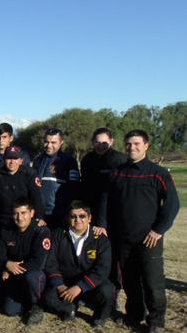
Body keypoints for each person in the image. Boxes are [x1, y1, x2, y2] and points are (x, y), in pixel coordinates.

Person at [97, 130, 179, 332]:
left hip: (149, 239)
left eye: (136, 144)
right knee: (130, 281)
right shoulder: (117, 172)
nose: (132, 147)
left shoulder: (158, 173)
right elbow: (105, 202)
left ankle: (156, 321)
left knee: (153, 282)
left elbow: (172, 204)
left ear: (146, 146)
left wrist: (158, 230)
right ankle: (134, 315)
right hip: (122, 238)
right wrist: (102, 224)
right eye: (128, 144)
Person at [44, 201, 112, 327]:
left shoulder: (101, 238)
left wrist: (81, 287)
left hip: (89, 285)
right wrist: (59, 285)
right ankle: (69, 308)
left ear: (90, 218)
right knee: (48, 297)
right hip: (65, 283)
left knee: (107, 291)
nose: (78, 220)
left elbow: (103, 268)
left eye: (82, 216)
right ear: (68, 218)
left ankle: (99, 318)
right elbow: (50, 262)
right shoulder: (57, 234)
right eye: (73, 216)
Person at [0, 199, 51, 325]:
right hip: (15, 276)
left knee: (34, 276)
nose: (19, 217)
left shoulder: (41, 231)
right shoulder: (6, 230)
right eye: (16, 213)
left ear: (32, 213)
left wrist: (12, 269)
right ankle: (26, 304)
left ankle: (37, 305)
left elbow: (38, 263)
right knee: (9, 311)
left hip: (34, 275)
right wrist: (6, 264)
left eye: (23, 213)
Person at [0, 146, 44, 234]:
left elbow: (36, 198)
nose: (12, 162)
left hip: (24, 222)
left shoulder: (29, 175)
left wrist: (39, 217)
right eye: (9, 158)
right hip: (2, 223)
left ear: (21, 160)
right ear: (3, 159)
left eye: (15, 158)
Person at [32, 128, 80, 229]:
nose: (49, 145)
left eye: (53, 142)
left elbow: (75, 189)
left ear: (61, 142)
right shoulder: (37, 160)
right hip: (39, 215)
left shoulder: (69, 161)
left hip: (60, 215)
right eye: (46, 142)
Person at [80, 127, 127, 215]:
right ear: (92, 142)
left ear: (111, 141)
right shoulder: (87, 159)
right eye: (97, 142)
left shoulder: (121, 159)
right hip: (91, 207)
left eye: (104, 143)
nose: (101, 146)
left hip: (114, 208)